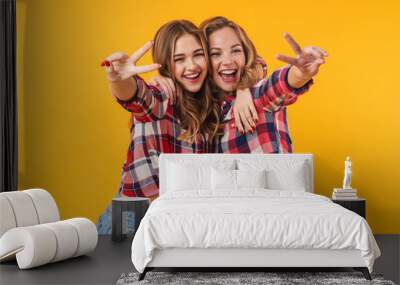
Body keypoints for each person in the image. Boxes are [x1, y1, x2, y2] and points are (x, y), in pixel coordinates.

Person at [96, 20, 221, 234]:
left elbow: (252, 64)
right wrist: (118, 80)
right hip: (133, 219)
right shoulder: (162, 93)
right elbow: (139, 98)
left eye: (198, 55)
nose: (192, 66)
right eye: (179, 59)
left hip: (178, 222)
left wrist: (245, 90)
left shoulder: (211, 103)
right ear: (165, 64)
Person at [199, 16, 328, 153]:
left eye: (236, 50)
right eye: (215, 54)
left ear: (246, 55)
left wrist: (300, 73)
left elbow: (277, 86)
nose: (228, 61)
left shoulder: (256, 96)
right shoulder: (202, 109)